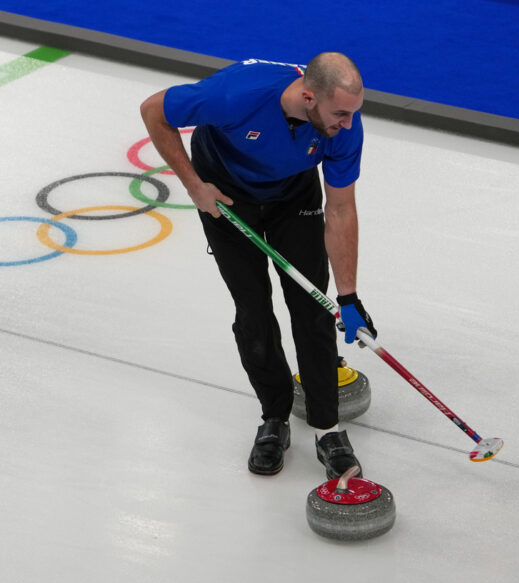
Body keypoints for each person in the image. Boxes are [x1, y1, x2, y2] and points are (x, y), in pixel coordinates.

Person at [140, 52, 377, 479]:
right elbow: (154, 110)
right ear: (308, 96)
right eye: (340, 113)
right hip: (227, 196)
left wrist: (348, 297)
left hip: (293, 196)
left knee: (313, 308)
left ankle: (327, 428)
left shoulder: (343, 127)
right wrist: (195, 186)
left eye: (353, 114)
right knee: (253, 309)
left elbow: (340, 210)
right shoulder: (236, 95)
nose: (348, 124)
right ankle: (274, 418)